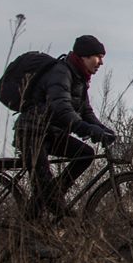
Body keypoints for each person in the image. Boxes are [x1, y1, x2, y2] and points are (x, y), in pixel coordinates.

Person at [14, 35, 117, 219]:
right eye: (98, 57)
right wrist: (86, 129)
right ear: (84, 56)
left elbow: (85, 110)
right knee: (45, 189)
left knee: (85, 154)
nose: (101, 63)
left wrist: (101, 129)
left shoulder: (79, 78)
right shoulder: (61, 73)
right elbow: (61, 109)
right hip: (32, 133)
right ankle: (50, 211)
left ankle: (50, 199)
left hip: (51, 133)